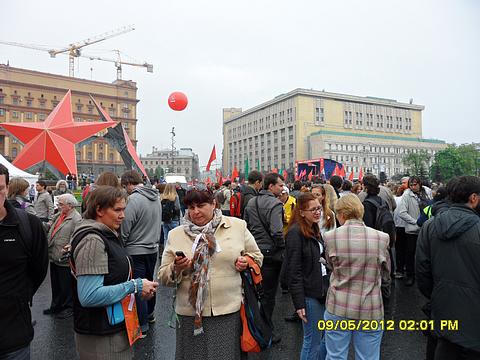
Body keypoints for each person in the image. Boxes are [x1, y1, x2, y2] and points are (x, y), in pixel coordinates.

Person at [158, 184, 263, 360]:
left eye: (201, 206)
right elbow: (163, 277)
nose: (196, 212)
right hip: (190, 314)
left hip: (227, 311)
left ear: (214, 204)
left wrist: (246, 261)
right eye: (191, 207)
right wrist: (177, 268)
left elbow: (257, 256)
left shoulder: (237, 226)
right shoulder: (175, 234)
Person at [70, 186, 158, 360]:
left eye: (124, 209)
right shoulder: (93, 240)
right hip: (101, 335)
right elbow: (89, 295)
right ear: (99, 210)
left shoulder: (107, 233)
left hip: (113, 328)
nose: (123, 215)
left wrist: (137, 290)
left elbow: (113, 278)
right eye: (117, 210)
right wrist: (135, 285)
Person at [416, 176, 480, 359]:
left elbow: (422, 272)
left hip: (443, 317)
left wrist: (437, 295)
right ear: (474, 198)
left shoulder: (429, 226)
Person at [323, 194, 391, 360]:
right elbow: (386, 273)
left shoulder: (330, 237)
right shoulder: (382, 238)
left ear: (342, 215)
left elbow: (331, 265)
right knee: (368, 357)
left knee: (335, 356)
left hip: (338, 304)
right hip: (370, 306)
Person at [0, 164, 48, 359]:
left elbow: (39, 269)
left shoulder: (28, 225)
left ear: (8, 187)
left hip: (14, 336)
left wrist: (19, 296)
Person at [244, 172, 285, 343]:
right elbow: (277, 231)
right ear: (271, 186)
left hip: (253, 252)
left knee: (253, 293)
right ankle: (266, 332)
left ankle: (253, 327)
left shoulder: (251, 202)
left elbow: (245, 226)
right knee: (268, 295)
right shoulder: (275, 204)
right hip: (270, 255)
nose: (282, 188)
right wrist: (282, 247)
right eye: (280, 185)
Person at [286, 192, 328, 360]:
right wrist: (299, 302)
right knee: (312, 340)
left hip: (320, 289)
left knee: (324, 337)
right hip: (309, 294)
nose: (317, 212)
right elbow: (293, 270)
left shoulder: (313, 228)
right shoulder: (295, 233)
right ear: (301, 212)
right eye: (312, 210)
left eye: (319, 208)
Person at [120, 170, 162, 335]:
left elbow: (125, 226)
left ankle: (142, 325)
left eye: (125, 186)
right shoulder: (155, 197)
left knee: (138, 287)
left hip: (135, 249)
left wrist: (120, 245)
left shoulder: (134, 199)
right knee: (150, 283)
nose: (125, 190)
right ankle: (150, 314)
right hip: (152, 248)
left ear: (129, 183)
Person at [43, 193, 82, 319]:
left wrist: (70, 246)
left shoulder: (76, 218)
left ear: (70, 205)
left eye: (61, 204)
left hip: (64, 257)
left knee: (66, 286)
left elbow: (76, 237)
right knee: (56, 284)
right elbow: (50, 227)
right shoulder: (60, 215)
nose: (59, 206)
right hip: (54, 255)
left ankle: (68, 308)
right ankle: (56, 306)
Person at [397, 176, 431, 286]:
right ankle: (410, 275)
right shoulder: (407, 195)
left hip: (426, 228)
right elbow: (402, 212)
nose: (413, 187)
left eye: (415, 184)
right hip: (412, 230)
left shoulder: (427, 191)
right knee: (410, 253)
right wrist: (415, 222)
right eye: (411, 185)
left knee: (426, 253)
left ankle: (426, 275)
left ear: (420, 184)